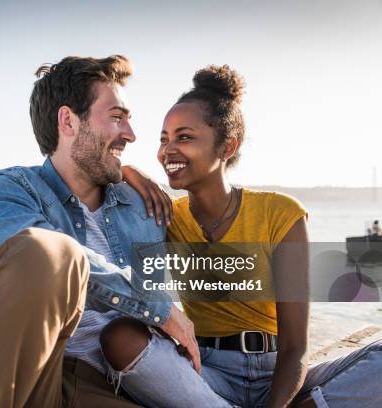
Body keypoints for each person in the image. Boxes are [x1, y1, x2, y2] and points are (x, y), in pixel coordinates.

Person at [102, 65, 382, 407]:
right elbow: (102, 192)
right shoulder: (166, 216)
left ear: (227, 146)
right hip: (203, 372)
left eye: (184, 137)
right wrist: (128, 171)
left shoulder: (279, 213)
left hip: (276, 369)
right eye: (164, 139)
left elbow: (295, 346)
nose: (167, 150)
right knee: (119, 337)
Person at [0, 55, 200, 407]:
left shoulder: (143, 205)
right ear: (68, 121)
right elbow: (55, 264)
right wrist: (160, 309)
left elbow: (215, 263)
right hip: (29, 377)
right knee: (43, 250)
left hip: (117, 384)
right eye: (116, 118)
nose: (131, 134)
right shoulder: (6, 191)